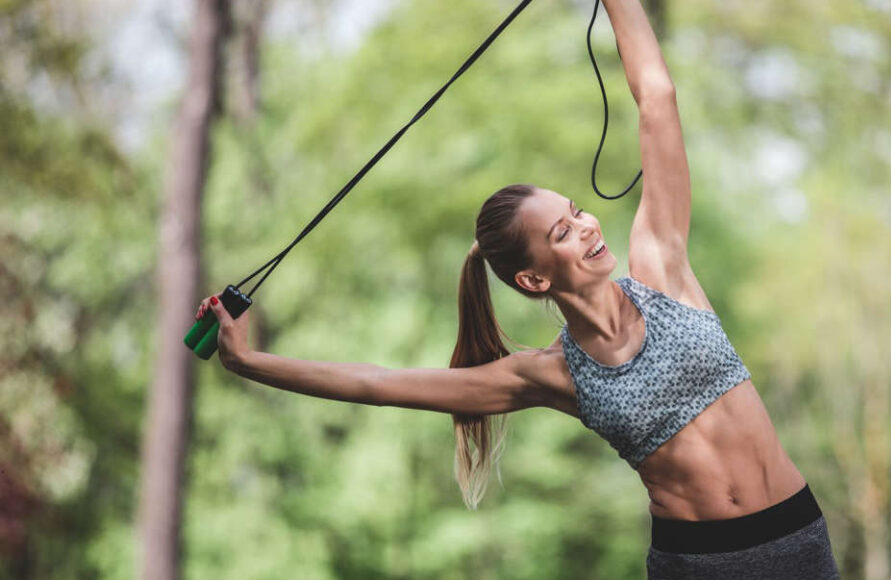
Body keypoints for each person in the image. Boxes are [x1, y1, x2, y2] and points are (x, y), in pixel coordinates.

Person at [195, 1, 840, 577]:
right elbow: (378, 383)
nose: (587, 227)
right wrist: (249, 361)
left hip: (794, 538)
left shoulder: (662, 268)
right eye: (562, 231)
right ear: (534, 279)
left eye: (577, 212)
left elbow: (656, 96)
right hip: (691, 564)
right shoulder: (549, 375)